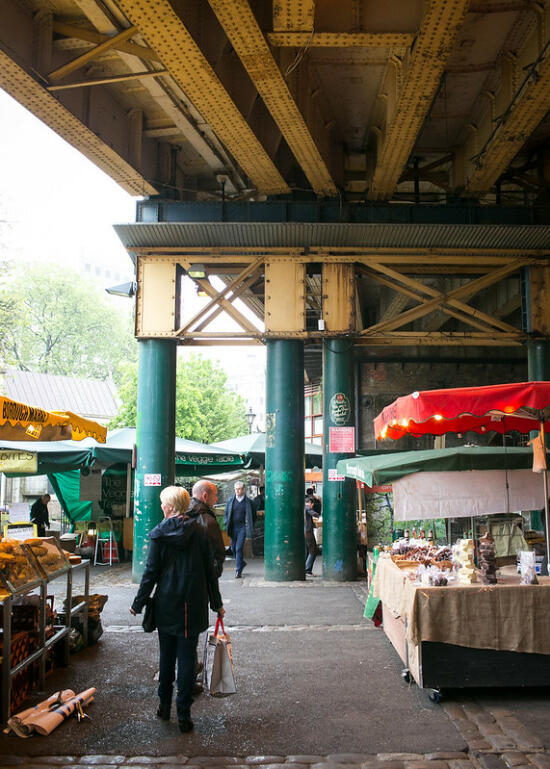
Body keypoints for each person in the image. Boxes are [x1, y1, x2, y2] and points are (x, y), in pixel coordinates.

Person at [130, 485, 224, 733]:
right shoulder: (200, 532)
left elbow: (150, 573)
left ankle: (163, 706)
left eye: (163, 503)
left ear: (170, 507)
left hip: (167, 603)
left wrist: (138, 603)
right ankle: (184, 715)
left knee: (166, 656)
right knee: (187, 659)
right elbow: (209, 573)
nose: (161, 506)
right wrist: (217, 604)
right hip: (193, 604)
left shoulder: (159, 535)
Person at [187, 480, 225, 577]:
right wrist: (215, 572)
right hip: (205, 577)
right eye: (215, 495)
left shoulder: (182, 516)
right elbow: (218, 553)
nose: (216, 499)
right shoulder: (209, 521)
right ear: (205, 496)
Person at [224, 480, 254, 578]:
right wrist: (226, 522)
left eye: (239, 489)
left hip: (242, 527)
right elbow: (226, 513)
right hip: (233, 527)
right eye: (236, 489)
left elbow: (253, 515)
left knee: (239, 548)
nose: (238, 491)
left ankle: (238, 571)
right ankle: (242, 563)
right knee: (233, 548)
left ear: (243, 489)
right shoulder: (230, 500)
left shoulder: (248, 502)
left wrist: (249, 525)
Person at [305, 496, 320, 575]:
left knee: (307, 550)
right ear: (310, 503)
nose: (312, 506)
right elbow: (313, 513)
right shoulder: (307, 508)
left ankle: (306, 568)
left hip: (304, 531)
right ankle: (307, 569)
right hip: (308, 531)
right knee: (313, 550)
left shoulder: (302, 507)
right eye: (312, 504)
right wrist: (317, 515)